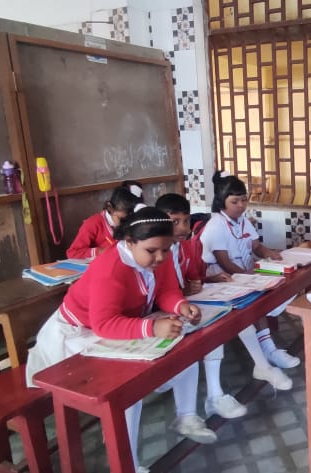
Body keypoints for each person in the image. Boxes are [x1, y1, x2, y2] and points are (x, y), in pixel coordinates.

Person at [26, 206, 217, 473]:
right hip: (78, 335)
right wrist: (152, 327)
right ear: (129, 242)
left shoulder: (156, 255)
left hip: (120, 326)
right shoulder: (110, 268)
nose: (160, 257)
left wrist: (181, 306)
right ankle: (127, 464)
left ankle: (186, 417)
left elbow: (166, 290)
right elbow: (104, 324)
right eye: (152, 251)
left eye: (166, 249)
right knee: (126, 388)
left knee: (184, 347)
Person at [199, 172, 298, 390]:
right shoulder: (216, 225)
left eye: (244, 200)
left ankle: (269, 351)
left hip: (243, 275)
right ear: (222, 202)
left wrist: (271, 254)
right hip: (221, 279)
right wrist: (249, 279)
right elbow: (224, 262)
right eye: (235, 202)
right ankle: (266, 354)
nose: (241, 206)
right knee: (255, 300)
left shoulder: (242, 221)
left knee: (279, 289)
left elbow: (256, 246)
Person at [154, 193, 247, 419]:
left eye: (186, 221)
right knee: (193, 336)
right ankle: (177, 394)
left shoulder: (186, 247)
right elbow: (156, 292)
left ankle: (215, 395)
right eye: (175, 221)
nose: (182, 228)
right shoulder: (156, 251)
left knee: (213, 323)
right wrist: (182, 293)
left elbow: (192, 279)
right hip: (159, 314)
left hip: (181, 306)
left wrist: (207, 280)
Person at [66, 180, 144, 259]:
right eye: (122, 219)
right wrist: (101, 251)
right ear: (110, 208)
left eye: (131, 219)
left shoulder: (134, 222)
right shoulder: (92, 224)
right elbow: (73, 253)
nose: (127, 223)